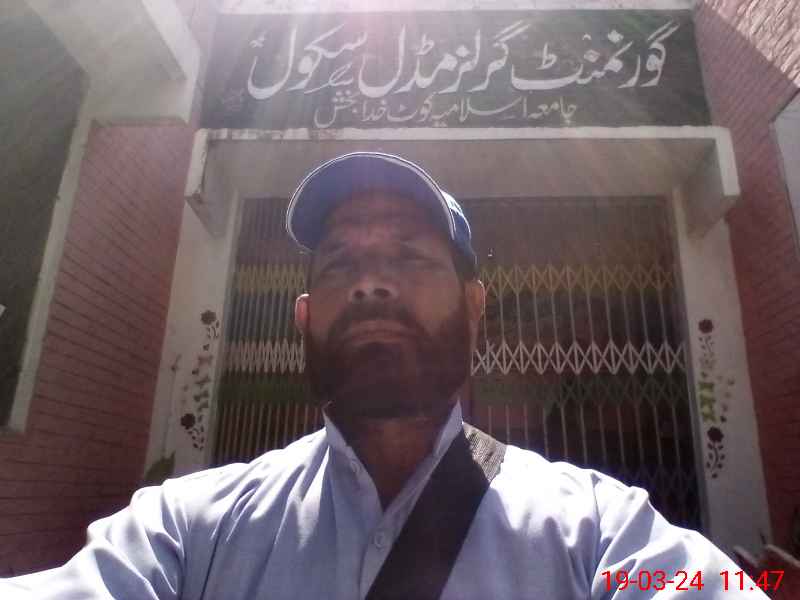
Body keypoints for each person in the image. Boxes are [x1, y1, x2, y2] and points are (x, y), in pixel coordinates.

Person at [1, 152, 770, 599]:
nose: (371, 283)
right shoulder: (188, 532)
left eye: (408, 256)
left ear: (475, 309)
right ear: (304, 318)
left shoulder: (599, 532)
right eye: (342, 263)